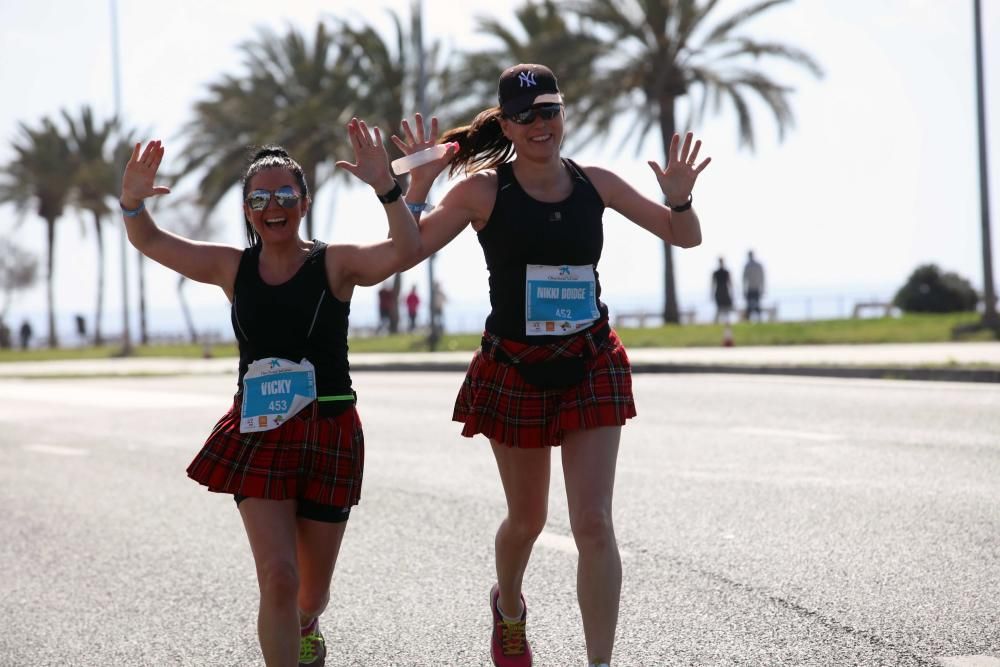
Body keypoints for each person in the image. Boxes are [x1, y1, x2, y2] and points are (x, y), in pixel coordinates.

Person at [392, 64, 710, 667]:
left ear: (564, 113)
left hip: (591, 361)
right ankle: (508, 606)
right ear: (507, 124)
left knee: (593, 523)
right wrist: (414, 190)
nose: (541, 124)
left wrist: (681, 198)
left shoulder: (596, 183)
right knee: (528, 518)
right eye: (526, 115)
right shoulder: (482, 191)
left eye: (550, 110)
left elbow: (683, 235)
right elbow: (407, 253)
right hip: (514, 368)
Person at [117, 119, 419, 667]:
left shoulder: (336, 262)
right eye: (259, 197)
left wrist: (387, 189)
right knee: (278, 578)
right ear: (246, 209)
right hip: (259, 431)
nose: (271, 205)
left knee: (310, 592)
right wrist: (133, 205)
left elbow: (405, 249)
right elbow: (150, 240)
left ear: (303, 202)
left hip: (329, 429)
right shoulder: (231, 267)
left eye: (284, 194)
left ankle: (308, 622)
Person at [742, 250, 765, 322]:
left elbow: (762, 278)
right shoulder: (749, 265)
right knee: (751, 306)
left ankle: (758, 320)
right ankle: (751, 320)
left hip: (753, 288)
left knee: (755, 306)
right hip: (752, 288)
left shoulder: (749, 266)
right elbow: (744, 279)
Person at [711, 257, 733, 324]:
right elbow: (713, 284)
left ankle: (725, 322)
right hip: (720, 291)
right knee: (720, 308)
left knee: (725, 309)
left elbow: (730, 283)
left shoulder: (725, 272)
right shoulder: (716, 272)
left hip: (723, 291)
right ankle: (717, 322)